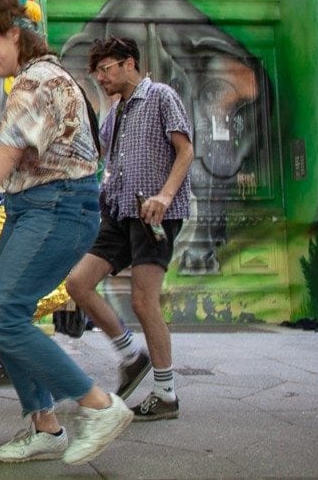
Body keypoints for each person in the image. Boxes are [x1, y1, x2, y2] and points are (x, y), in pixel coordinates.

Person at [0, 0, 132, 466]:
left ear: (13, 34)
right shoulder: (37, 81)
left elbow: (10, 155)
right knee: (6, 316)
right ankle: (44, 426)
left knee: (4, 316)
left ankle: (98, 405)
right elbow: (22, 153)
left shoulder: (36, 80)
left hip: (55, 208)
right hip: (38, 206)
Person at [65, 35, 194, 423]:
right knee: (78, 284)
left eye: (105, 70)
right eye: (96, 73)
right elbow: (100, 161)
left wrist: (165, 197)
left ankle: (166, 393)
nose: (101, 79)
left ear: (128, 64)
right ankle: (130, 355)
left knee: (143, 300)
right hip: (119, 213)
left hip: (154, 216)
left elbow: (185, 150)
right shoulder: (114, 115)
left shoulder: (161, 97)